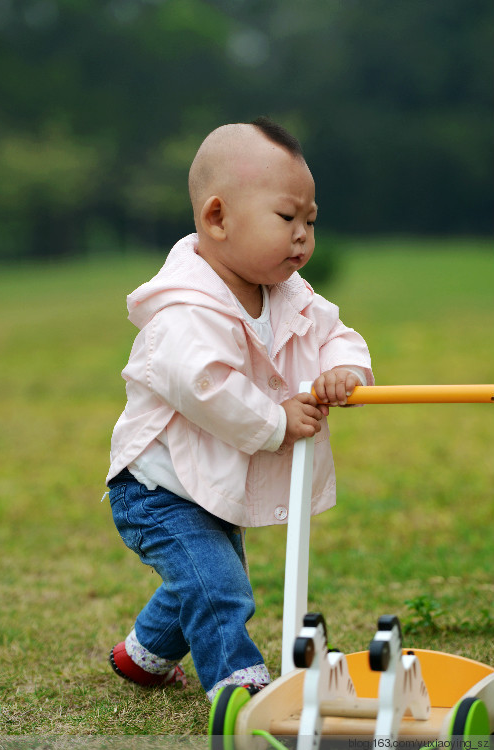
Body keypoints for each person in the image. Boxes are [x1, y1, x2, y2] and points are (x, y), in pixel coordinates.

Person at [105, 117, 374, 701]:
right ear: (218, 218)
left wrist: (344, 369)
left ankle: (142, 657)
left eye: (310, 221)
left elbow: (336, 332)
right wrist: (277, 423)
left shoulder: (287, 293)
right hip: (157, 489)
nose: (302, 235)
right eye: (286, 218)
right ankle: (239, 686)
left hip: (211, 474)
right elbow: (205, 385)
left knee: (199, 581)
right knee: (220, 585)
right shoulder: (184, 309)